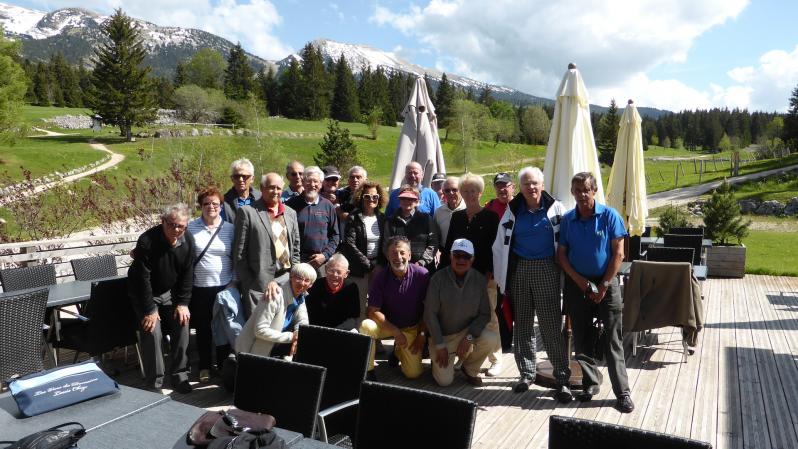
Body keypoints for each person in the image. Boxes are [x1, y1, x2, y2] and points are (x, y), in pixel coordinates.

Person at [492, 167, 573, 402]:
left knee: (550, 325)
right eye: (527, 184)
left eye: (535, 183)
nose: (531, 187)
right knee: (523, 325)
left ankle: (561, 377)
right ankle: (526, 373)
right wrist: (501, 279)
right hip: (520, 270)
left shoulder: (556, 209)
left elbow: (567, 242)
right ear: (521, 187)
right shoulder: (512, 210)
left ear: (542, 184)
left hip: (547, 268)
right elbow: (499, 246)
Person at [557, 172, 634, 413]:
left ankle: (622, 392)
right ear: (572, 192)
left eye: (585, 190)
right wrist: (579, 281)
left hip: (606, 283)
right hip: (577, 284)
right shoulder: (568, 220)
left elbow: (618, 254)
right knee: (581, 337)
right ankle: (590, 383)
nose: (581, 194)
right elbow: (561, 254)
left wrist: (603, 286)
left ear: (594, 191)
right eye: (577, 190)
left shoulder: (610, 216)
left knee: (612, 338)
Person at [128, 203, 195, 393]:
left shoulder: (188, 241)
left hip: (169, 292)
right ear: (162, 222)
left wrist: (183, 303)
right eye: (171, 224)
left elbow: (187, 275)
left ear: (186, 226)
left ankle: (180, 375)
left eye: (180, 226)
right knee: (152, 330)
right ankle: (154, 382)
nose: (175, 230)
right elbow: (142, 279)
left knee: (183, 322)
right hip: (144, 293)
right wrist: (149, 310)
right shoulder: (147, 241)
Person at [442, 173, 502, 377]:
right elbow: (449, 246)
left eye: (473, 191)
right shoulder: (457, 217)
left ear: (480, 192)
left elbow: (495, 248)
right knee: (466, 318)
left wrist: (489, 273)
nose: (469, 194)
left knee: (490, 317)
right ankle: (466, 358)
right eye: (465, 191)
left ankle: (496, 359)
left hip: (484, 276)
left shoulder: (491, 217)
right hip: (460, 277)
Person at [424, 239, 496, 387]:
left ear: (472, 259)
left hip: (465, 333)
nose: (461, 260)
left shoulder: (479, 280)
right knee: (444, 382)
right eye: (457, 255)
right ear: (450, 256)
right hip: (442, 337)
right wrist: (439, 345)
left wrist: (469, 337)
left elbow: (484, 314)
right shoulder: (437, 279)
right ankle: (436, 360)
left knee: (490, 338)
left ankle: (470, 369)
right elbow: (430, 315)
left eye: (466, 257)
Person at [359, 236, 429, 381]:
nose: (398, 257)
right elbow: (372, 311)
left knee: (413, 374)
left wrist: (422, 335)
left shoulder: (422, 275)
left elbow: (430, 309)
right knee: (367, 325)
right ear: (387, 255)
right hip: (387, 326)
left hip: (411, 327)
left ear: (409, 254)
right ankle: (368, 370)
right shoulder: (380, 277)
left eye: (402, 253)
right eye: (393, 253)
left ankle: (398, 351)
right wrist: (395, 331)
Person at [233, 173, 300, 319]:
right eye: (271, 187)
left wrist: (294, 276)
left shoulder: (290, 213)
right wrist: (250, 282)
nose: (275, 191)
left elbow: (295, 247)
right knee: (258, 330)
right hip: (257, 284)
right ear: (262, 188)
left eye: (278, 188)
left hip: (286, 279)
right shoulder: (247, 212)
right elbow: (239, 253)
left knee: (281, 328)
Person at [188, 186, 235, 383]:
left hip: (224, 287)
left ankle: (224, 366)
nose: (211, 207)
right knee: (203, 328)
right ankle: (205, 366)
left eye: (215, 203)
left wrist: (234, 282)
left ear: (221, 206)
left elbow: (236, 257)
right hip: (200, 288)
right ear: (200, 206)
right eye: (206, 203)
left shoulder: (230, 229)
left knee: (224, 328)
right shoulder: (190, 228)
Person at [235, 263, 316, 358]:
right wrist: (292, 337)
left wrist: (298, 333)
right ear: (291, 277)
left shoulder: (301, 297)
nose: (302, 283)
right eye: (298, 278)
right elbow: (260, 330)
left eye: (306, 280)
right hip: (251, 351)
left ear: (311, 285)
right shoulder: (275, 295)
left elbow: (302, 320)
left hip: (275, 348)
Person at [340, 180, 387, 320]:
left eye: (375, 197)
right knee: (360, 306)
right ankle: (362, 338)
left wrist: (379, 264)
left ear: (379, 199)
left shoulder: (383, 218)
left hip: (378, 268)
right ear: (361, 197)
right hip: (358, 269)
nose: (371, 200)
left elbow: (386, 243)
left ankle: (376, 338)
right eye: (367, 196)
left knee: (377, 306)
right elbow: (350, 244)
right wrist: (369, 265)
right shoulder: (353, 217)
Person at [285, 166, 340, 276]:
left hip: (321, 263)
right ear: (303, 182)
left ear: (321, 184)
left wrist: (325, 255)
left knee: (320, 293)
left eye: (315, 181)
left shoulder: (327, 205)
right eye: (308, 181)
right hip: (297, 262)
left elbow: (335, 235)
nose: (312, 185)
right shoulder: (291, 205)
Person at [484, 172, 515, 352]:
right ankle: (503, 341)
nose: (502, 189)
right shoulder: (489, 207)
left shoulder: (519, 206)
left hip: (515, 263)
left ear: (513, 187)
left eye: (506, 185)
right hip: (496, 263)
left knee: (515, 304)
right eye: (499, 186)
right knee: (499, 305)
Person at [382, 186, 437, 270]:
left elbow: (433, 243)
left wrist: (422, 262)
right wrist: (397, 262)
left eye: (410, 199)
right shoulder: (390, 221)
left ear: (417, 201)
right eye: (403, 198)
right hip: (397, 268)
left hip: (423, 268)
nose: (406, 201)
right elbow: (386, 245)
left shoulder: (426, 219)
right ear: (399, 200)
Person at [305, 254, 360, 331]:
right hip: (318, 329)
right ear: (325, 269)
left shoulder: (351, 287)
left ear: (346, 274)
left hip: (341, 330)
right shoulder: (316, 285)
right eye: (331, 270)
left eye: (339, 272)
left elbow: (353, 317)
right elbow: (310, 315)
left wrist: (335, 332)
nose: (334, 275)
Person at [432, 176, 465, 261]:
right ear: (443, 192)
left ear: (461, 190)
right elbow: (435, 235)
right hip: (445, 253)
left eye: (454, 190)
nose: (451, 193)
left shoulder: (468, 209)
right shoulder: (438, 212)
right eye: (447, 190)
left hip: (465, 254)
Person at [222, 159, 261, 224]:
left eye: (244, 176)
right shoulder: (223, 202)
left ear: (252, 179)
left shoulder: (261, 198)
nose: (240, 179)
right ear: (232, 179)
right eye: (236, 176)